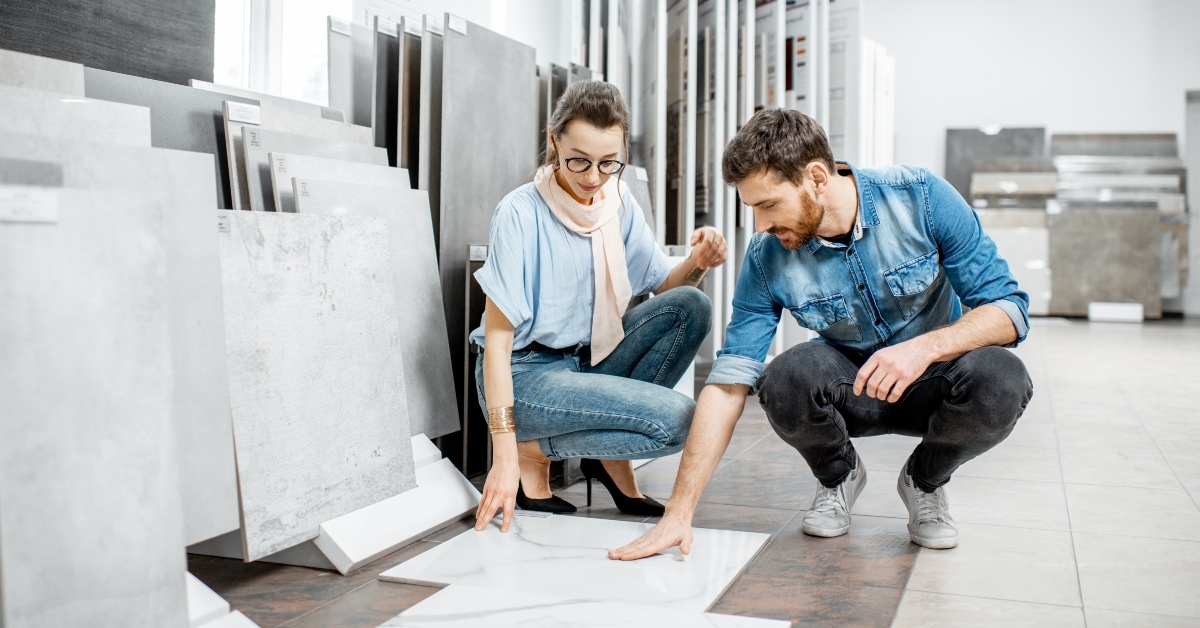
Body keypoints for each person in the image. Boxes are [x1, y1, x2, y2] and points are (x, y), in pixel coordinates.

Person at [610, 109, 1034, 558]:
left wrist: (924, 348)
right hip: (852, 388)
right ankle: (839, 476)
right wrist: (678, 512)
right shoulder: (765, 256)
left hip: (935, 380)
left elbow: (1009, 309)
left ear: (815, 176)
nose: (760, 225)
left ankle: (925, 481)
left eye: (768, 205)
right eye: (752, 208)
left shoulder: (922, 198)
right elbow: (729, 380)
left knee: (1003, 380)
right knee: (783, 379)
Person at [470, 80, 730, 533]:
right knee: (680, 420)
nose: (593, 177)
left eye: (608, 163)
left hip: (585, 361)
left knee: (691, 305)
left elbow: (663, 287)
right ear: (554, 142)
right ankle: (536, 451)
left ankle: (604, 458)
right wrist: (505, 453)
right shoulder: (519, 212)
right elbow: (497, 342)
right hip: (524, 375)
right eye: (578, 161)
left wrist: (698, 262)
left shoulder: (616, 201)